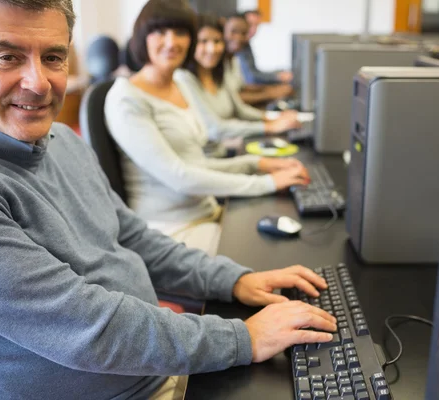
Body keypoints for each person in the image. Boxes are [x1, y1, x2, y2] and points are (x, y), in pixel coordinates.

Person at [0, 0, 336, 399]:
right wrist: (242, 338)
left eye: (54, 57)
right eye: (8, 57)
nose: (38, 82)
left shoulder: (61, 140)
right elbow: (85, 327)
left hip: (155, 369)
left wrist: (233, 279)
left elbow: (133, 238)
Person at [104, 1, 308, 255]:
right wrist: (266, 182)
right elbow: (180, 176)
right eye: (160, 32)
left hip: (206, 211)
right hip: (170, 231)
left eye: (180, 32)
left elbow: (196, 163)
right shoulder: (126, 98)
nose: (172, 42)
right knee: (271, 255)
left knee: (295, 237)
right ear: (142, 37)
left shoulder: (179, 83)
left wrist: (256, 164)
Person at [175, 14, 300, 141]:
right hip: (214, 154)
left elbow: (240, 109)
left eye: (217, 41)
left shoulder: (217, 72)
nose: (212, 49)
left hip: (227, 146)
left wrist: (272, 118)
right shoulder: (183, 78)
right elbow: (214, 128)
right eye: (203, 41)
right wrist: (268, 127)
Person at [223, 13, 292, 106]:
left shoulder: (237, 53)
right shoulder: (223, 59)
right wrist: (269, 94)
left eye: (243, 33)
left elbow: (241, 87)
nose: (239, 37)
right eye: (234, 31)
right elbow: (250, 79)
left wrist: (270, 90)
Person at [237, 9, 293, 85]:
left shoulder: (246, 45)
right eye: (250, 24)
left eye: (257, 25)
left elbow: (254, 72)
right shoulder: (237, 45)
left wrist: (278, 73)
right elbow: (251, 77)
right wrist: (277, 77)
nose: (253, 30)